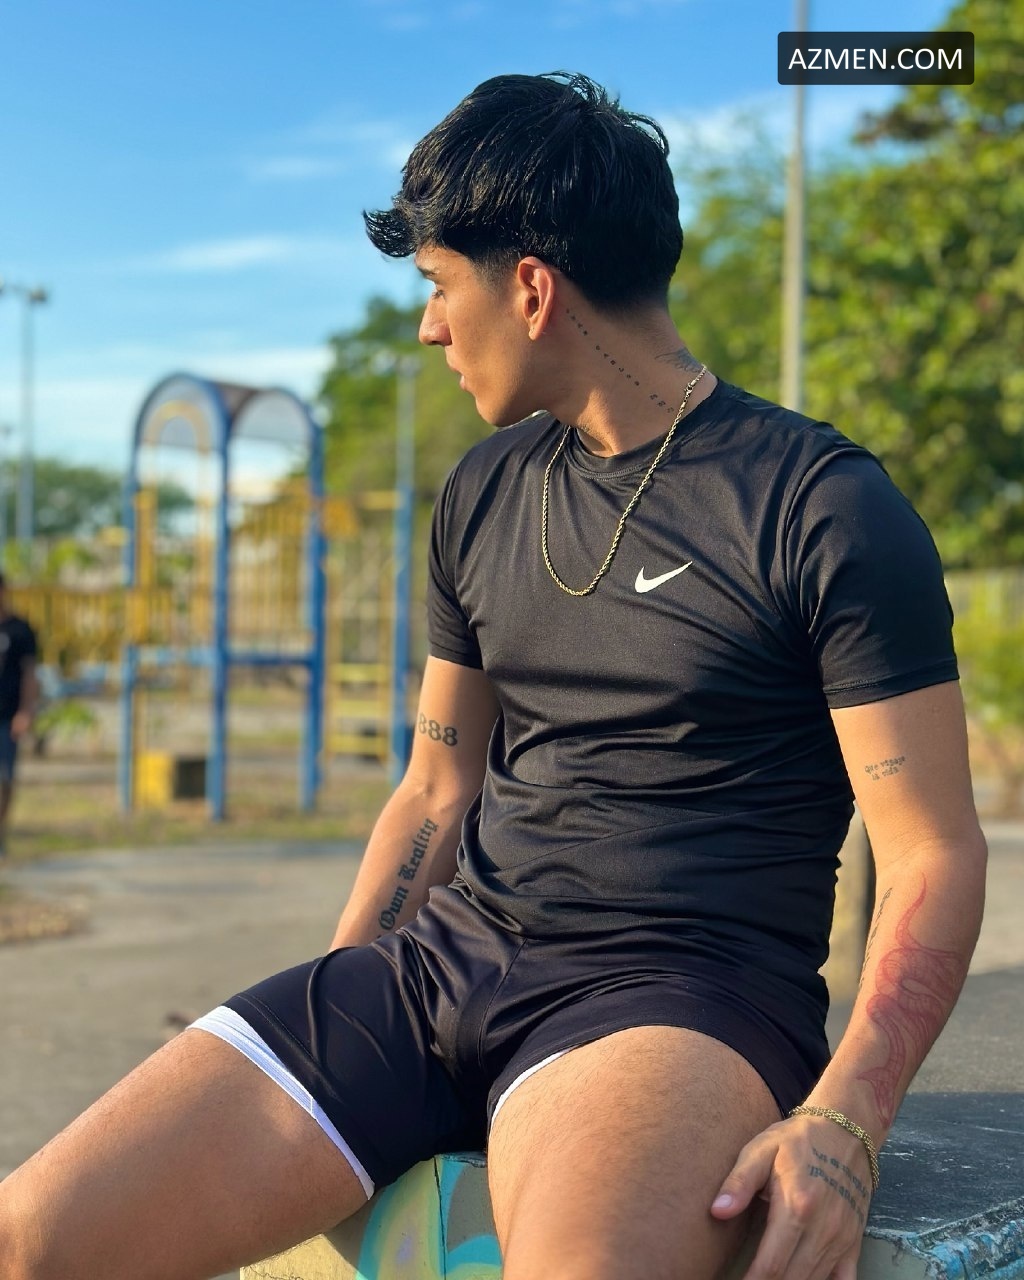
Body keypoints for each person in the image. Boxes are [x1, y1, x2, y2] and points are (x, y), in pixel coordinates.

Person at [0, 73, 986, 1280]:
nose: (428, 327)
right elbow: (434, 789)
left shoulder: (820, 506)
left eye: (436, 284)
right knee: (30, 1238)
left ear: (528, 288)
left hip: (671, 996)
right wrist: (339, 994)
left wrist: (846, 1119)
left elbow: (931, 849)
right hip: (441, 968)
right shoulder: (481, 492)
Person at [0, 570, 39, 860]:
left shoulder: (20, 630)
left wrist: (25, 711)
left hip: (7, 716)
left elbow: (29, 674)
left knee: (5, 779)